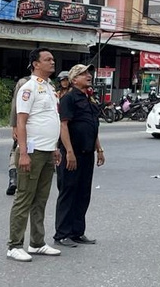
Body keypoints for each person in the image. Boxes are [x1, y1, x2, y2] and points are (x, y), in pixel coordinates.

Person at [7, 48, 63, 262]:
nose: (52, 62)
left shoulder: (49, 88)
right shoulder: (28, 88)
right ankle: (14, 244)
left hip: (48, 150)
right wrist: (22, 153)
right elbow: (21, 121)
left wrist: (55, 147)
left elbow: (50, 119)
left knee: (41, 198)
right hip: (32, 150)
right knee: (24, 197)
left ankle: (37, 242)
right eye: (47, 59)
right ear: (35, 64)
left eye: (52, 58)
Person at [53, 64, 104, 248]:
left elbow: (92, 125)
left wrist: (99, 149)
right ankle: (62, 233)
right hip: (72, 153)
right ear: (74, 79)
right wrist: (69, 152)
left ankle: (77, 231)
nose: (88, 76)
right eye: (83, 74)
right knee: (68, 191)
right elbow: (64, 125)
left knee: (83, 193)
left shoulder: (89, 98)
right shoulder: (69, 98)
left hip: (87, 153)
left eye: (88, 73)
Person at [6, 75, 31, 196]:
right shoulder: (24, 83)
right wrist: (14, 126)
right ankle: (13, 180)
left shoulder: (48, 85)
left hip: (37, 127)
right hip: (23, 123)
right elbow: (15, 105)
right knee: (17, 149)